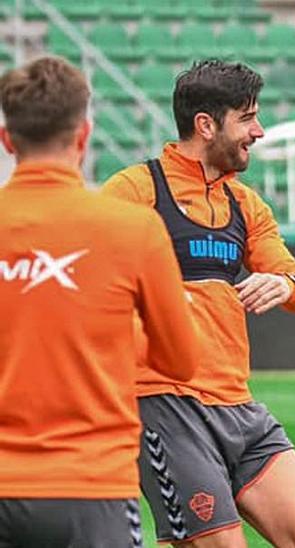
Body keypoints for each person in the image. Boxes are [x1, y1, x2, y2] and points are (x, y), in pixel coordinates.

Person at [101, 60, 295, 547]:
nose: (260, 130)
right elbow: (91, 281)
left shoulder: (245, 204)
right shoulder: (135, 190)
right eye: (247, 117)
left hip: (238, 405)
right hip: (165, 405)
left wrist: (284, 286)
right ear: (206, 125)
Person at [0, 56, 200, 547]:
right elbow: (181, 360)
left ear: (8, 140)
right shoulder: (132, 229)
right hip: (92, 488)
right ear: (84, 136)